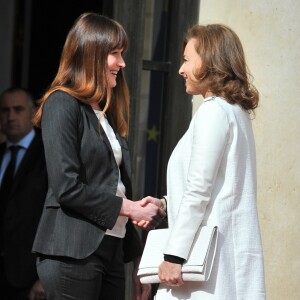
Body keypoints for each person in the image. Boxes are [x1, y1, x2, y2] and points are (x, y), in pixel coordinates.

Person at [31, 12, 165, 300]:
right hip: (72, 252)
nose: (122, 63)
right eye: (114, 54)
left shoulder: (105, 112)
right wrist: (131, 208)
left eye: (122, 54)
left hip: (112, 250)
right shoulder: (62, 102)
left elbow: (116, 188)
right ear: (91, 54)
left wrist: (137, 258)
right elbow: (66, 187)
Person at [139, 24, 266, 299]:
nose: (180, 70)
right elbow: (220, 186)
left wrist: (173, 256)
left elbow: (199, 189)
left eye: (187, 59)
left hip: (205, 269)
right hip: (225, 262)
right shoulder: (235, 112)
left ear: (209, 62)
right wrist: (165, 204)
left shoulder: (213, 112)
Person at [0, 87, 47, 300]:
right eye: (5, 110)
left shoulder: (47, 154)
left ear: (32, 113)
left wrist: (44, 275)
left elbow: (54, 216)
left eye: (18, 109)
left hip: (28, 278)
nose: (10, 116)